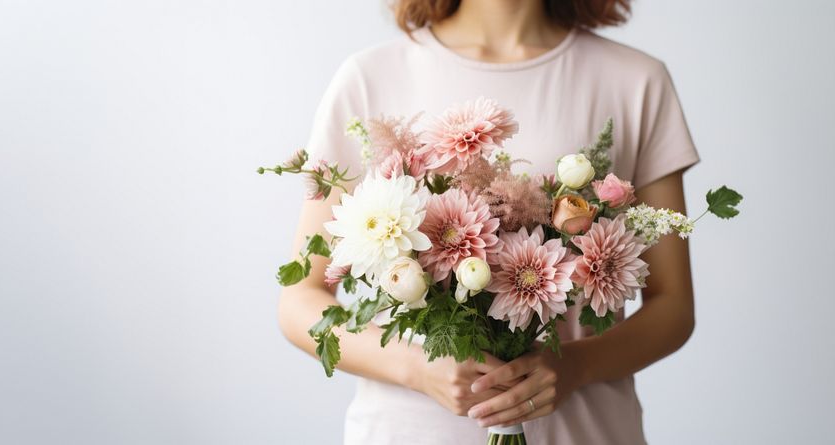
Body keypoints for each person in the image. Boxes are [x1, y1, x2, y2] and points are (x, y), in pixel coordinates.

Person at [278, 0, 699, 443]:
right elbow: (300, 300)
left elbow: (673, 306)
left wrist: (575, 365)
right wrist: (417, 368)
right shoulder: (370, 76)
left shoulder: (635, 80)